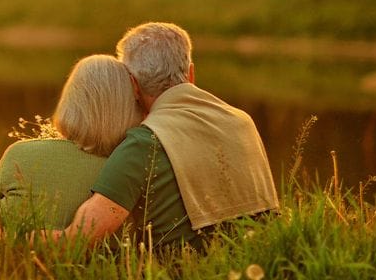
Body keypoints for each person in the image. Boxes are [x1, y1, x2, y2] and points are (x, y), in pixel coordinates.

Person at [59, 22, 279, 248]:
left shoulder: (145, 143)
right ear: (191, 73)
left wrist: (27, 237)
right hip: (255, 261)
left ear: (133, 85)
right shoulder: (242, 121)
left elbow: (79, 239)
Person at [0, 54, 142, 232]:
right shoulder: (129, 169)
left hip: (10, 257)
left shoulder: (18, 153)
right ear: (129, 107)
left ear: (70, 100)